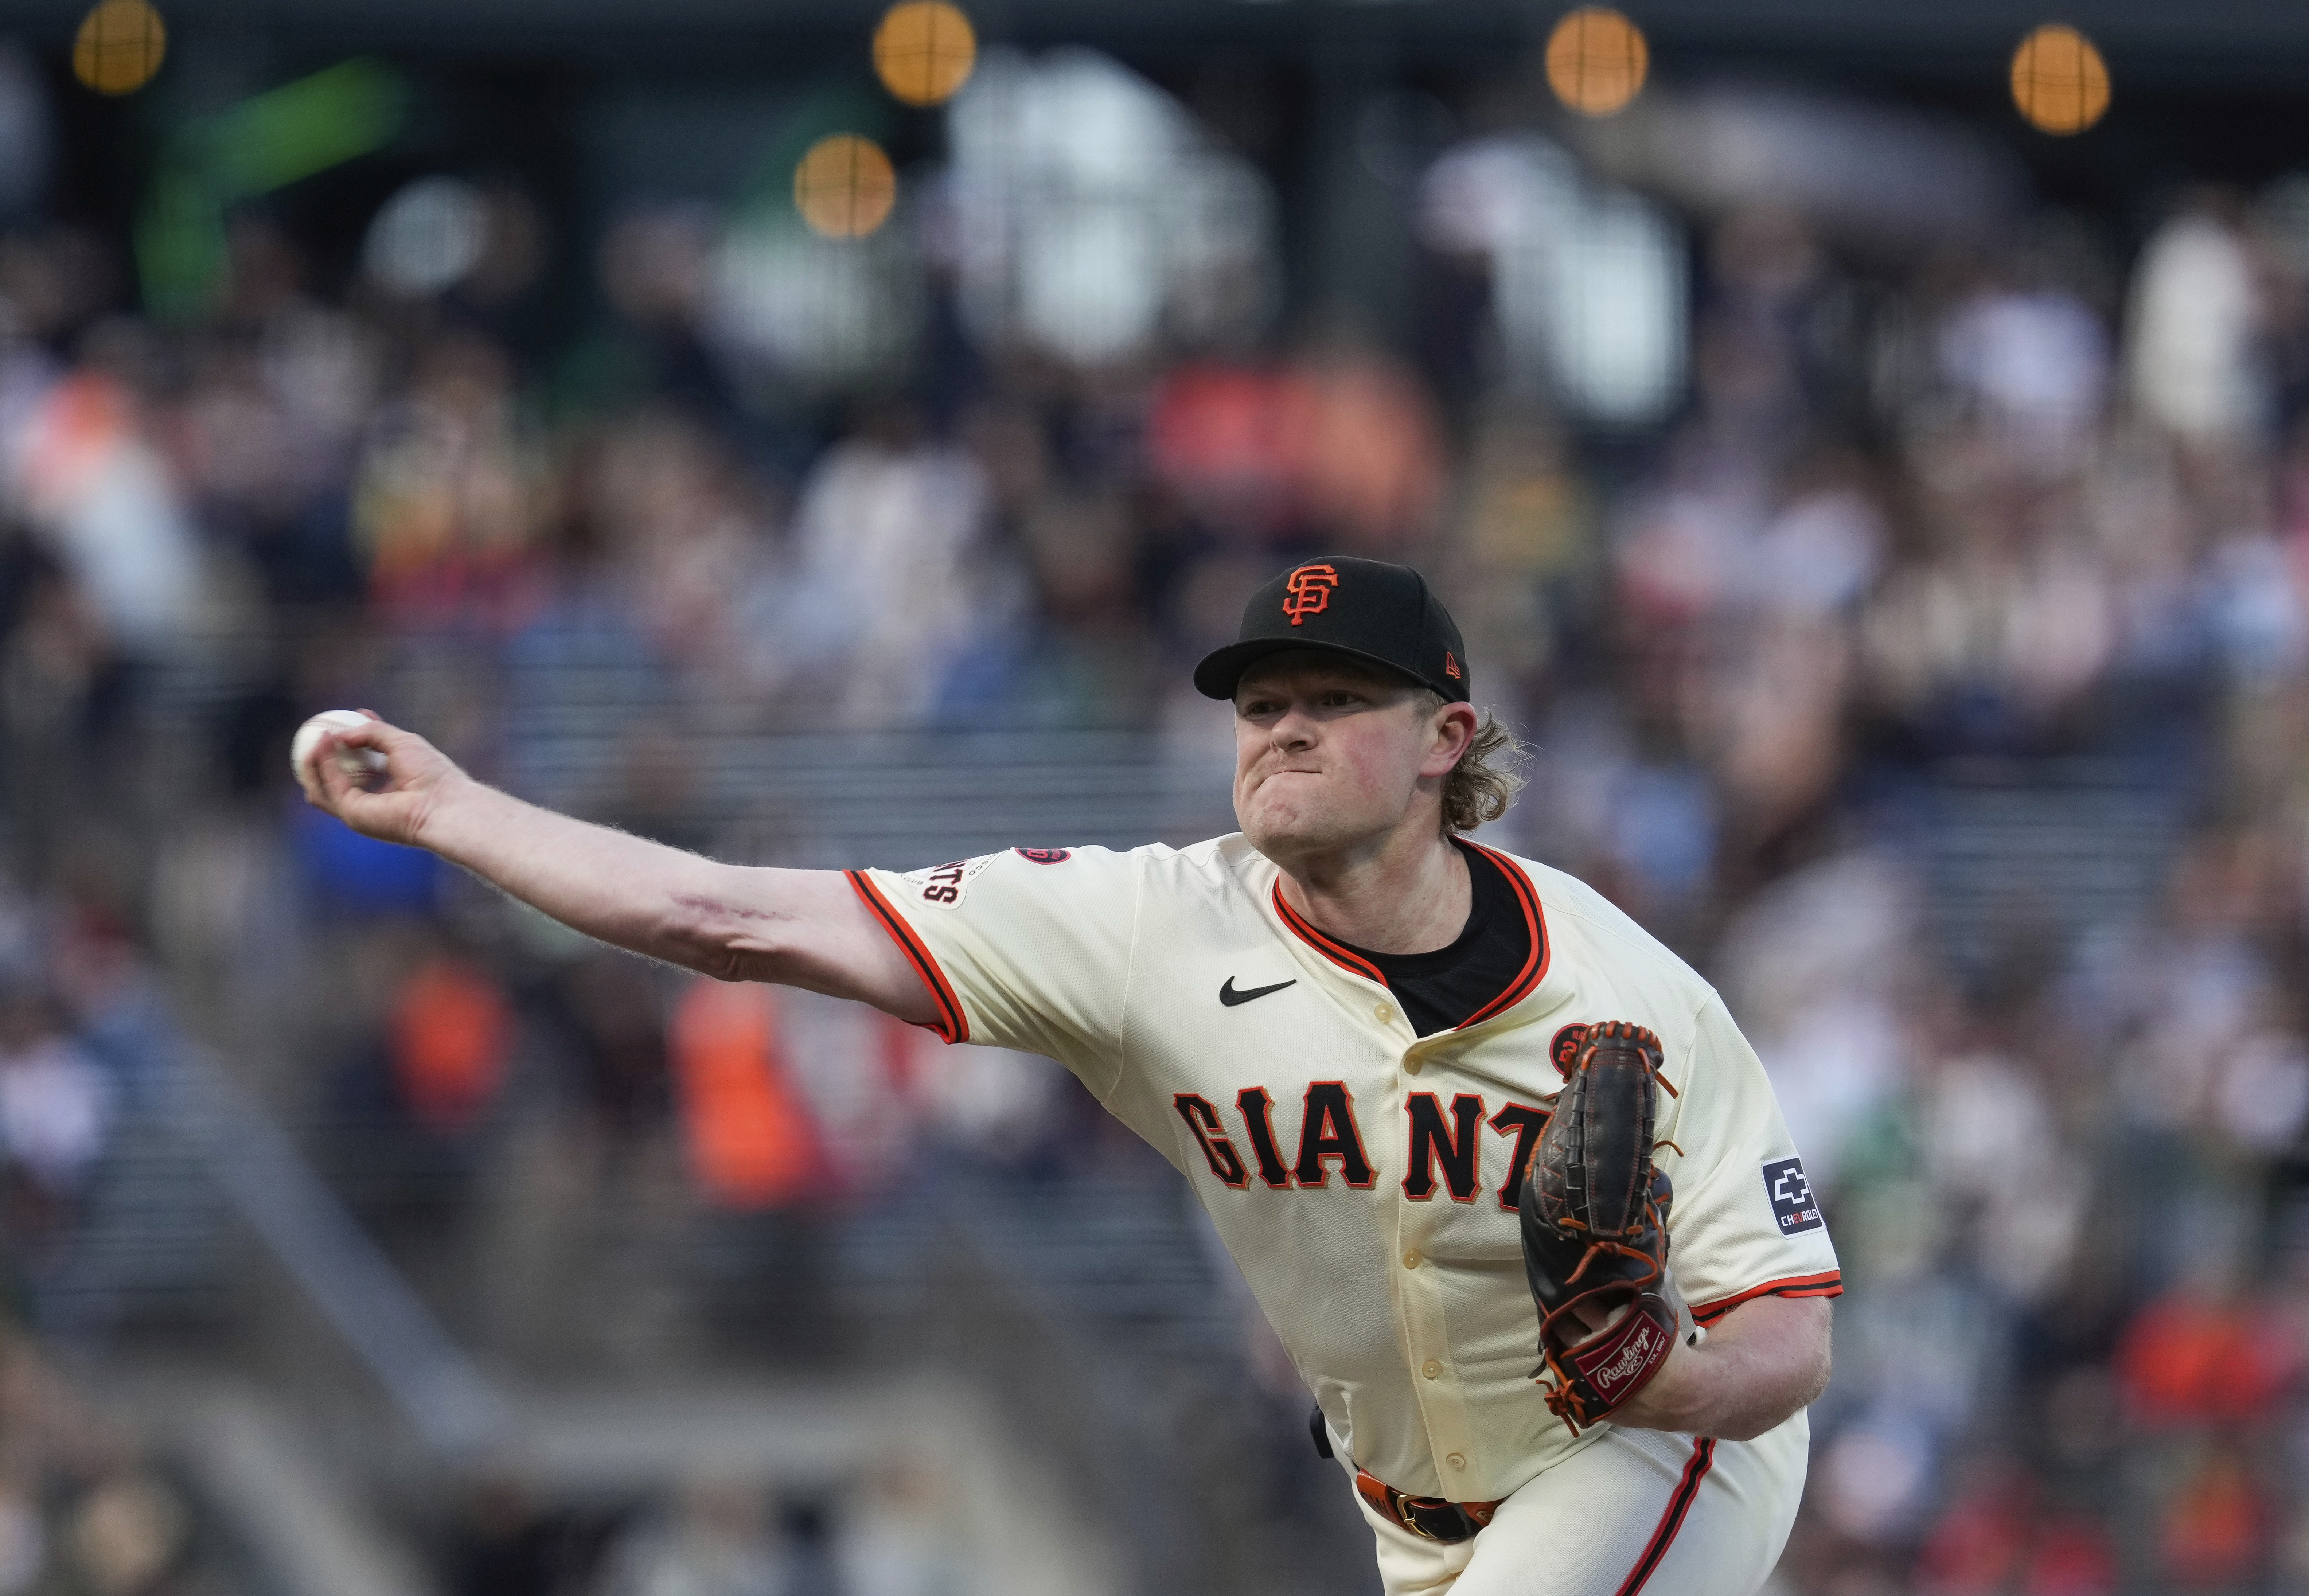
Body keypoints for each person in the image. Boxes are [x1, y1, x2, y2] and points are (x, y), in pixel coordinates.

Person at [304, 556, 1841, 1595]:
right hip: (1413, 1510)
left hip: (1656, 1451)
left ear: (1446, 738)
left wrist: (1664, 1376)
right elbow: (731, 917)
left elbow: (1786, 1338)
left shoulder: (1628, 995)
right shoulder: (1143, 931)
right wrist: (456, 813)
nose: (1281, 733)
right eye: (1261, 706)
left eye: (1332, 702)